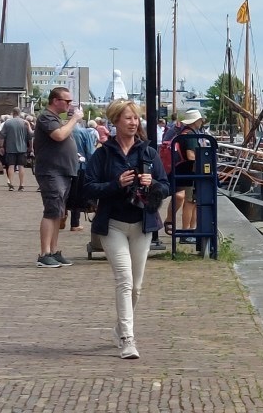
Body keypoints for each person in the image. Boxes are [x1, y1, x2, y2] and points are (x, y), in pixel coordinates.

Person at [84, 99, 170, 359]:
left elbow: (166, 187)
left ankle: (121, 325)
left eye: (136, 118)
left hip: (142, 224)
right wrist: (115, 184)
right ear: (115, 122)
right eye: (128, 118)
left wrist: (152, 182)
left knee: (137, 286)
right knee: (124, 279)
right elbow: (88, 187)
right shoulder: (103, 154)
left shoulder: (148, 153)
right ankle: (128, 339)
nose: (133, 123)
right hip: (113, 225)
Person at [33, 87, 83, 268]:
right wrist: (74, 119)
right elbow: (59, 135)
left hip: (63, 171)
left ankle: (53, 250)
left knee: (59, 212)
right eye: (67, 101)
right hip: (51, 171)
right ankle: (45, 253)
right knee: (51, 210)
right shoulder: (46, 117)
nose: (70, 104)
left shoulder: (55, 119)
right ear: (56, 101)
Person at [170, 109, 205, 242]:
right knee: (190, 203)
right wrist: (202, 161)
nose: (201, 122)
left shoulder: (186, 132)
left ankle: (191, 230)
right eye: (200, 120)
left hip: (188, 171)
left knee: (193, 202)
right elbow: (190, 155)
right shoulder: (190, 135)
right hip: (190, 172)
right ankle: (186, 232)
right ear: (196, 121)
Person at [68, 118, 100, 232]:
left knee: (64, 194)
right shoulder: (84, 132)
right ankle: (74, 223)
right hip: (80, 167)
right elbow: (90, 152)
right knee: (77, 195)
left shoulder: (63, 131)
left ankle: (61, 215)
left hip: (64, 168)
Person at [0, 108, 30, 191]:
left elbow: (2, 135)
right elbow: (29, 136)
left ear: (12, 113)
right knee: (21, 166)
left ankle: (11, 184)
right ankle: (21, 185)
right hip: (22, 148)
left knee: (11, 166)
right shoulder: (25, 123)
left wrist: (1, 146)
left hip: (10, 148)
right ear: (20, 113)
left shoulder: (8, 123)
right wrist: (31, 147)